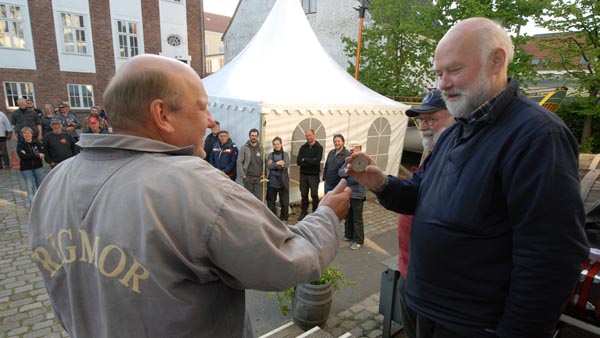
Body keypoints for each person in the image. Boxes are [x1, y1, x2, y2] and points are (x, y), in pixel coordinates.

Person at [28, 54, 351, 338]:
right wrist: (326, 215)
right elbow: (287, 264)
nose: (210, 120)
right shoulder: (192, 183)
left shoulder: (55, 180)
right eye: (201, 107)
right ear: (162, 115)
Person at [346, 18, 589, 338]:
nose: (442, 83)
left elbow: (551, 257)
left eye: (454, 69)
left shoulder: (537, 136)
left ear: (496, 61)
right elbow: (421, 194)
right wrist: (382, 183)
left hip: (472, 326)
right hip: (426, 310)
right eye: (439, 73)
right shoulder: (456, 130)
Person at [396, 89, 455, 338]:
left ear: (456, 119)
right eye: (420, 120)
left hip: (435, 286)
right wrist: (382, 184)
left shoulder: (460, 160)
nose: (423, 126)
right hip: (409, 272)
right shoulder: (434, 156)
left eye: (432, 119)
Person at [338, 143, 366, 250]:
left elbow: (356, 179)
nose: (351, 152)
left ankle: (358, 240)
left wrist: (347, 174)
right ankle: (348, 235)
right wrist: (348, 173)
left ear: (359, 150)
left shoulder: (362, 162)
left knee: (357, 219)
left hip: (358, 195)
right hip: (348, 193)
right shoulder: (348, 161)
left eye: (353, 150)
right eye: (351, 150)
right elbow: (340, 172)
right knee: (348, 216)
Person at [296, 129, 323, 221]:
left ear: (314, 135)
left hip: (313, 175)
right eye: (307, 136)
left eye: (310, 135)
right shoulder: (303, 147)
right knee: (303, 194)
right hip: (303, 175)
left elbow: (317, 162)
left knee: (314, 194)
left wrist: (305, 159)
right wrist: (310, 161)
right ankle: (304, 211)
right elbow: (298, 161)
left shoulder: (319, 147)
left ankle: (315, 212)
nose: (308, 137)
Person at [16, 127, 45, 206]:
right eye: (25, 133)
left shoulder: (38, 143)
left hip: (38, 167)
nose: (27, 135)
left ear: (32, 134)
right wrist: (37, 155)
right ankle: (32, 206)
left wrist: (28, 154)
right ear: (23, 135)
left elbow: (43, 154)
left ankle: (42, 205)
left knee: (40, 186)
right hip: (26, 169)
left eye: (29, 133)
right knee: (30, 188)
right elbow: (23, 156)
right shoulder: (20, 145)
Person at [266, 136, 290, 223]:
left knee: (284, 201)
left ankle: (284, 219)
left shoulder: (285, 154)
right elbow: (269, 166)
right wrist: (278, 163)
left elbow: (286, 164)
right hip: (272, 181)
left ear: (281, 144)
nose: (276, 146)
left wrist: (274, 164)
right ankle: (273, 219)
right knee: (271, 201)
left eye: (278, 144)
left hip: (283, 180)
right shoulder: (270, 155)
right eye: (275, 144)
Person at [238, 128, 264, 200]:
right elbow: (239, 162)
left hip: (258, 177)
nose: (254, 137)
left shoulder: (260, 148)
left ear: (257, 137)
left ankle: (257, 211)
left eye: (255, 136)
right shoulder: (244, 148)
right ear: (249, 136)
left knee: (258, 198)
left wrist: (263, 173)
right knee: (248, 198)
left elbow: (263, 162)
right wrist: (243, 175)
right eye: (252, 135)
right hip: (248, 177)